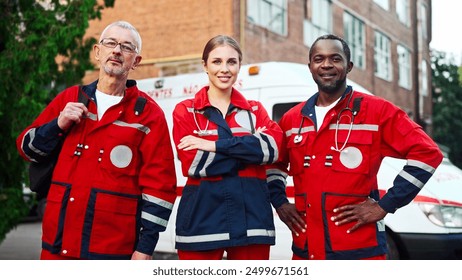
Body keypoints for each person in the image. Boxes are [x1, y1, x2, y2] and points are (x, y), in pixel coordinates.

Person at [270, 34, 443, 260]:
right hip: (306, 250)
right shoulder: (293, 119)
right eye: (318, 59)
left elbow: (428, 153)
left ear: (348, 66)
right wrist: (281, 203)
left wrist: (385, 205)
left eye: (335, 58)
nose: (327, 65)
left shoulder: (377, 111)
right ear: (310, 66)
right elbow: (275, 166)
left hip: (360, 250)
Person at [16, 21, 177, 260]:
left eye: (126, 47)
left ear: (136, 61)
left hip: (113, 250)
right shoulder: (70, 98)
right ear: (97, 52)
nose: (116, 50)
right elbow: (27, 150)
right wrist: (57, 125)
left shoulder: (148, 115)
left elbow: (160, 188)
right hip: (57, 247)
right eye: (110, 43)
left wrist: (145, 248)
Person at [172, 35, 286, 260]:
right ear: (204, 65)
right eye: (217, 62)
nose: (224, 69)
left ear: (239, 65)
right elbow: (194, 163)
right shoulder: (186, 111)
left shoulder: (255, 111)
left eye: (231, 62)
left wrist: (213, 146)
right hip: (201, 223)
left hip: (252, 223)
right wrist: (251, 152)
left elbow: (272, 149)